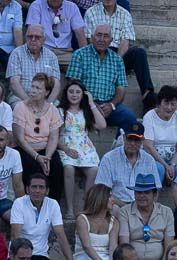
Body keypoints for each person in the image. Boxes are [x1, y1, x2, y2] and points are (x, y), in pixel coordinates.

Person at [65, 23, 134, 136]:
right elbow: (74, 84)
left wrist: (111, 105)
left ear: (111, 40)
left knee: (130, 119)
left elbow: (121, 88)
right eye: (98, 35)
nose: (101, 39)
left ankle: (118, 149)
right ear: (92, 38)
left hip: (109, 105)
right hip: (84, 104)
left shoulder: (117, 60)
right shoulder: (79, 55)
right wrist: (91, 104)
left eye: (106, 36)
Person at [83, 0, 152, 110]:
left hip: (119, 54)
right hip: (99, 52)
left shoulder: (125, 14)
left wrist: (116, 61)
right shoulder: (91, 12)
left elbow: (126, 40)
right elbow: (90, 39)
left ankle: (148, 96)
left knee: (139, 53)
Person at [12, 72, 64, 208]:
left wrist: (47, 157)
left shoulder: (53, 110)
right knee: (31, 164)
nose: (33, 91)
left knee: (57, 166)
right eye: (32, 87)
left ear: (46, 92)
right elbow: (20, 138)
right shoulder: (20, 107)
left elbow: (53, 137)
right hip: (25, 148)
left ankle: (53, 207)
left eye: (38, 88)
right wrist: (37, 157)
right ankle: (28, 207)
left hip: (46, 149)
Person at [58, 78, 105, 218]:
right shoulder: (60, 111)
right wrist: (66, 150)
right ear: (66, 93)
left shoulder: (86, 111)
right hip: (66, 145)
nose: (74, 94)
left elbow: (102, 125)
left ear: (82, 94)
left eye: (78, 92)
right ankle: (70, 209)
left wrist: (91, 103)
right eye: (71, 91)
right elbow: (55, 136)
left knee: (94, 170)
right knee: (68, 168)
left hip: (84, 146)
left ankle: (87, 208)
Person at [10, 171, 73, 260]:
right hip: (21, 257)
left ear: (47, 191)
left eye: (41, 187)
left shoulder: (53, 204)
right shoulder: (19, 203)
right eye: (34, 187)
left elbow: (61, 235)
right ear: (27, 189)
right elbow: (15, 236)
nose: (37, 191)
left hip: (41, 256)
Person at [117, 172, 174, 260]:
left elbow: (169, 245)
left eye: (146, 192)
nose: (142, 196)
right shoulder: (125, 212)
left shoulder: (166, 212)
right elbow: (124, 245)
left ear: (155, 194)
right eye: (138, 192)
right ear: (134, 194)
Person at [140, 85, 177, 189]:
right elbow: (148, 146)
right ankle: (153, 202)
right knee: (158, 169)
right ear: (159, 103)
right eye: (166, 103)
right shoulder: (149, 117)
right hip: (154, 158)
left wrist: (173, 164)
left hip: (174, 159)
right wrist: (166, 166)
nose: (169, 107)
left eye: (173, 104)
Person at [6, 24, 60, 104]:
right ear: (25, 37)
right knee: (19, 108)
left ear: (44, 39)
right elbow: (14, 82)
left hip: (45, 99)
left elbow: (56, 84)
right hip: (21, 98)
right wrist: (29, 102)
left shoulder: (51, 56)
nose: (33, 39)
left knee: (56, 111)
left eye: (37, 37)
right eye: (30, 36)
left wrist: (48, 104)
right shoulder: (16, 53)